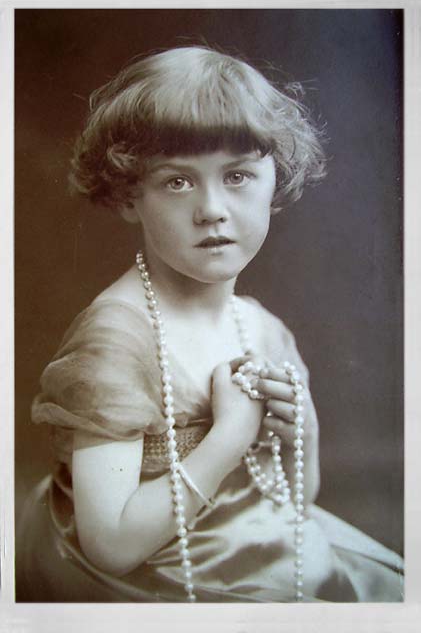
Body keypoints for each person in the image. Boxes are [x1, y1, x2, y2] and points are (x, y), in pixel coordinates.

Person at [18, 46, 403, 603]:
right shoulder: (117, 342)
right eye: (177, 182)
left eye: (239, 175)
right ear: (130, 195)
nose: (213, 209)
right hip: (146, 572)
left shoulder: (262, 329)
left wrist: (303, 435)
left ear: (276, 183)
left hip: (245, 545)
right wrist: (229, 436)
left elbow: (295, 502)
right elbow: (111, 545)